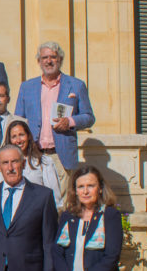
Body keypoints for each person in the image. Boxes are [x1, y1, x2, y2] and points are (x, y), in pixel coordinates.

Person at [14, 41, 96, 185]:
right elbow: (18, 120)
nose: (49, 61)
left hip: (60, 154)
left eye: (53, 57)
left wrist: (70, 122)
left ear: (60, 60)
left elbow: (89, 117)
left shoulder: (76, 85)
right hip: (33, 154)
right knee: (34, 200)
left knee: (62, 203)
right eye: (45, 57)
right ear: (39, 61)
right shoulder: (27, 87)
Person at [0, 120, 63, 207]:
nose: (18, 140)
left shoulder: (44, 162)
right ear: (9, 140)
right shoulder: (4, 164)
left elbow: (54, 197)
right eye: (14, 137)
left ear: (28, 136)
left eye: (21, 135)